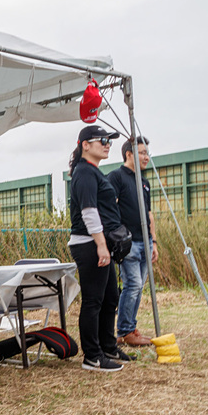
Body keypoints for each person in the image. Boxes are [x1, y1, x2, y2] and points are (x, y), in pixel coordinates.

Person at [68, 125, 133, 372]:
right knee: (94, 300)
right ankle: (92, 357)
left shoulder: (94, 172)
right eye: (102, 140)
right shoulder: (84, 172)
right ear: (85, 144)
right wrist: (101, 245)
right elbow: (88, 211)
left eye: (110, 141)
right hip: (89, 243)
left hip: (98, 242)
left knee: (110, 297)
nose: (107, 144)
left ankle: (107, 346)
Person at [108, 137, 158, 346]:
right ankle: (125, 331)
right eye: (142, 152)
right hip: (128, 243)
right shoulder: (116, 177)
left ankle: (129, 328)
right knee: (133, 284)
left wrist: (154, 241)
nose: (146, 157)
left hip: (145, 241)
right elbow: (109, 208)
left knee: (139, 286)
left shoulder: (144, 182)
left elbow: (149, 213)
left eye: (147, 153)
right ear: (129, 154)